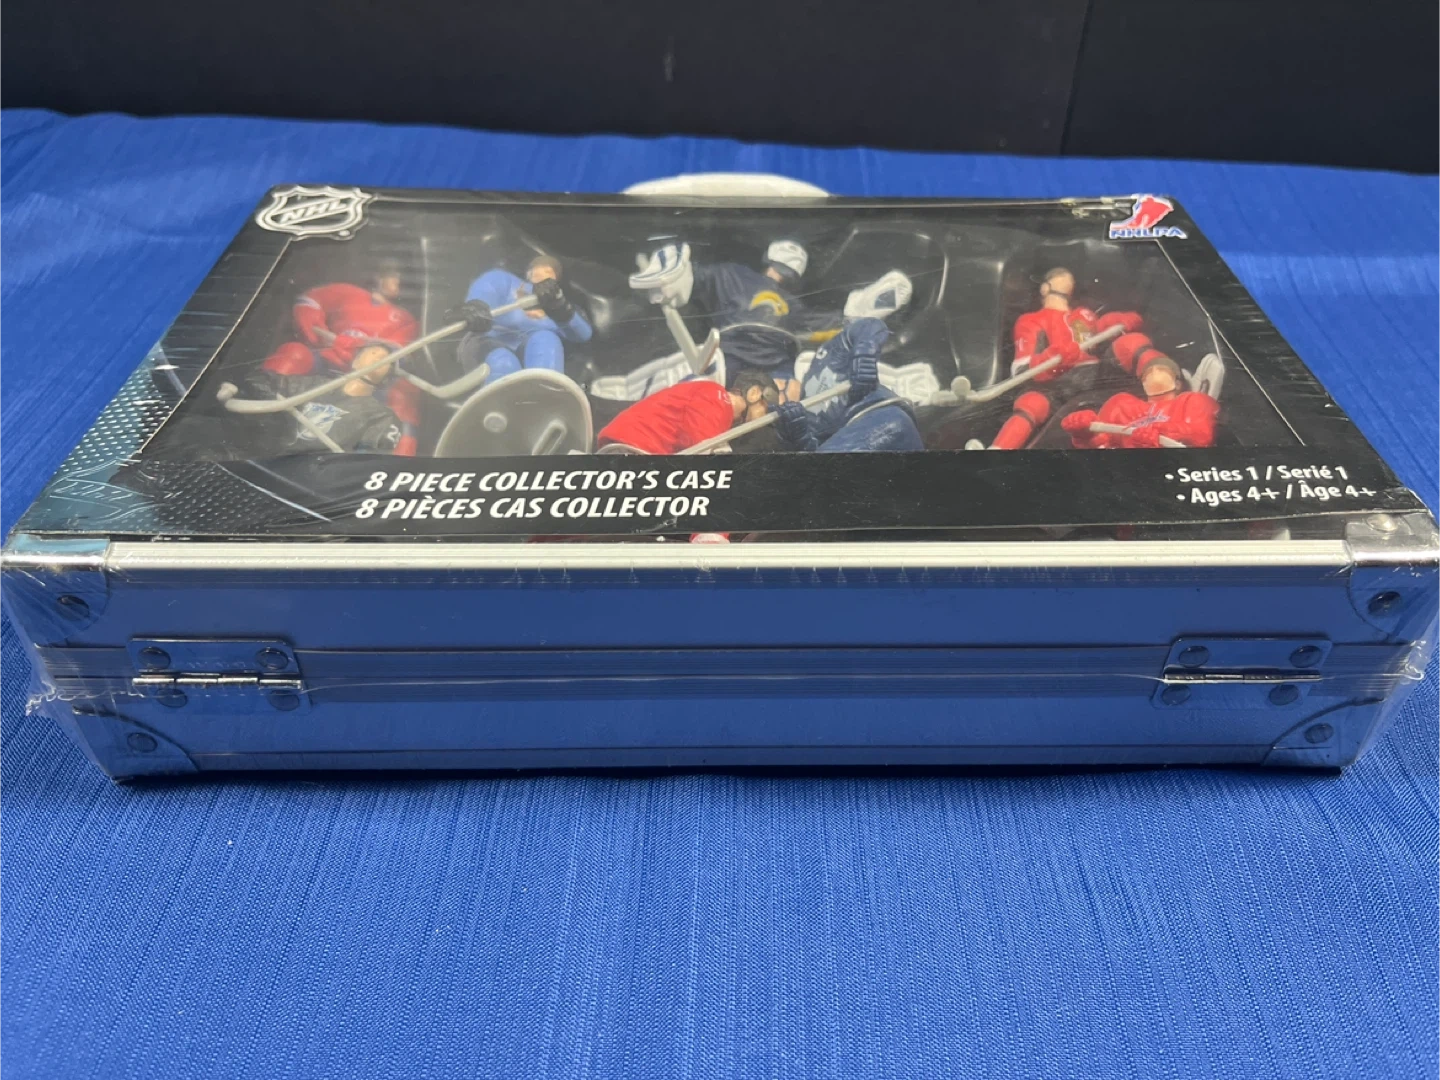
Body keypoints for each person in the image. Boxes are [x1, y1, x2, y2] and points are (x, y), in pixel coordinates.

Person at [629, 240, 912, 397]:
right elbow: (829, 326)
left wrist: (853, 317)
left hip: (763, 363)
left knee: (801, 378)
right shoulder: (736, 277)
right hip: (738, 358)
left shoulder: (737, 277)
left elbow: (826, 327)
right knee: (700, 373)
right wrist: (673, 276)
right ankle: (635, 390)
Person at [262, 261, 421, 454]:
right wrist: (313, 326)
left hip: (366, 379)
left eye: (403, 278)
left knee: (404, 394)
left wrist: (358, 348)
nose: (399, 281)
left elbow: (398, 353)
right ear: (380, 276)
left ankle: (399, 462)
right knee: (294, 353)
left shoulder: (405, 319)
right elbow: (310, 301)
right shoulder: (348, 293)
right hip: (326, 361)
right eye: (394, 275)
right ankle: (259, 412)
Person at [985, 267, 1143, 450]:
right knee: (1032, 403)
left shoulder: (1083, 314)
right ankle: (998, 450)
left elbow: (1097, 333)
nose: (1067, 282)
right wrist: (1051, 360)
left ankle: (1164, 385)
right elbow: (1021, 370)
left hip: (1095, 378)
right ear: (1044, 287)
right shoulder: (1031, 320)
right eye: (1059, 278)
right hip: (1056, 384)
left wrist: (1115, 321)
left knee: (1132, 342)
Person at [771, 318, 923, 453]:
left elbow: (871, 325)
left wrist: (864, 354)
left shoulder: (824, 361)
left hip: (886, 420)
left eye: (769, 396)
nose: (778, 406)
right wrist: (799, 438)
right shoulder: (804, 423)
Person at [447, 255, 592, 383]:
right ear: (529, 272)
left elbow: (583, 335)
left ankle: (544, 396)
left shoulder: (554, 303)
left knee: (546, 341)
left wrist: (561, 308)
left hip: (527, 352)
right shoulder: (505, 282)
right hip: (487, 345)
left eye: (549, 272)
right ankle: (499, 401)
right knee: (503, 362)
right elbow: (485, 291)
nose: (542, 275)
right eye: (538, 269)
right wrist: (476, 307)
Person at [1060, 334, 1219, 448]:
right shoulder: (1121, 404)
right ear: (1142, 383)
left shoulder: (1192, 401)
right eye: (1148, 373)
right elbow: (1100, 443)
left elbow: (1201, 435)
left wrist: (1163, 432)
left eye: (1161, 370)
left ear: (1177, 383)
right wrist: (1084, 433)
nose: (1154, 373)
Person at [595, 369, 784, 455]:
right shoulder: (716, 396)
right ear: (754, 393)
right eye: (765, 408)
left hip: (637, 450)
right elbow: (701, 450)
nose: (764, 416)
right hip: (632, 451)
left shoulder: (717, 404)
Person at [275, 343, 409, 455]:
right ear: (356, 361)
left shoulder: (382, 416)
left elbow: (364, 463)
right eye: (373, 352)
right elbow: (269, 389)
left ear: (387, 377)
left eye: (386, 359)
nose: (378, 357)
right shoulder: (313, 385)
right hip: (271, 460)